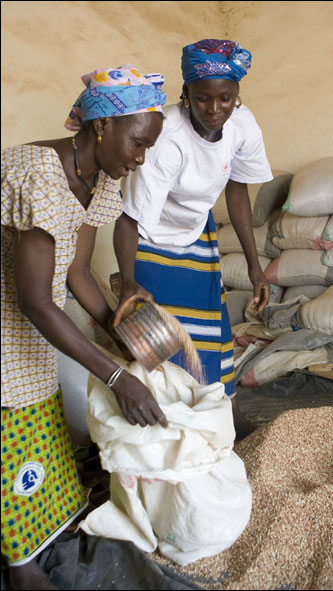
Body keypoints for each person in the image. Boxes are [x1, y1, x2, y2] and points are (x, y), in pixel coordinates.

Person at [1, 64, 167, 590]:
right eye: (137, 144)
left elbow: (75, 275)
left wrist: (122, 334)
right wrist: (119, 380)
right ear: (102, 126)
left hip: (25, 319)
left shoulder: (98, 183)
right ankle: (20, 565)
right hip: (13, 313)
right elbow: (33, 299)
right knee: (12, 425)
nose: (139, 159)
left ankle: (40, 527)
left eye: (148, 150)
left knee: (39, 415)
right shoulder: (40, 172)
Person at [113, 40, 273, 437]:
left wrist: (256, 267)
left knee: (214, 334)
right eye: (202, 98)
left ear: (237, 95)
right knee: (165, 345)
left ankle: (226, 416)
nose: (215, 109)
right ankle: (176, 432)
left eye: (225, 98)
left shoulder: (241, 123)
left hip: (197, 236)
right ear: (186, 94)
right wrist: (129, 282)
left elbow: (237, 191)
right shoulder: (166, 138)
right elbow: (129, 219)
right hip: (150, 242)